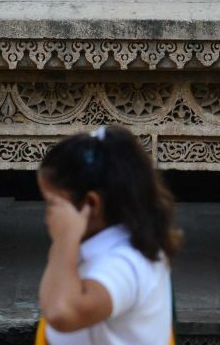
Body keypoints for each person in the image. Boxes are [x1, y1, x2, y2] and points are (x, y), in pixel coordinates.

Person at [36, 125, 179, 345]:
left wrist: (65, 239)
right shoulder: (91, 247)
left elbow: (61, 313)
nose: (48, 214)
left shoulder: (126, 260)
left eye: (53, 203)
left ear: (91, 204)